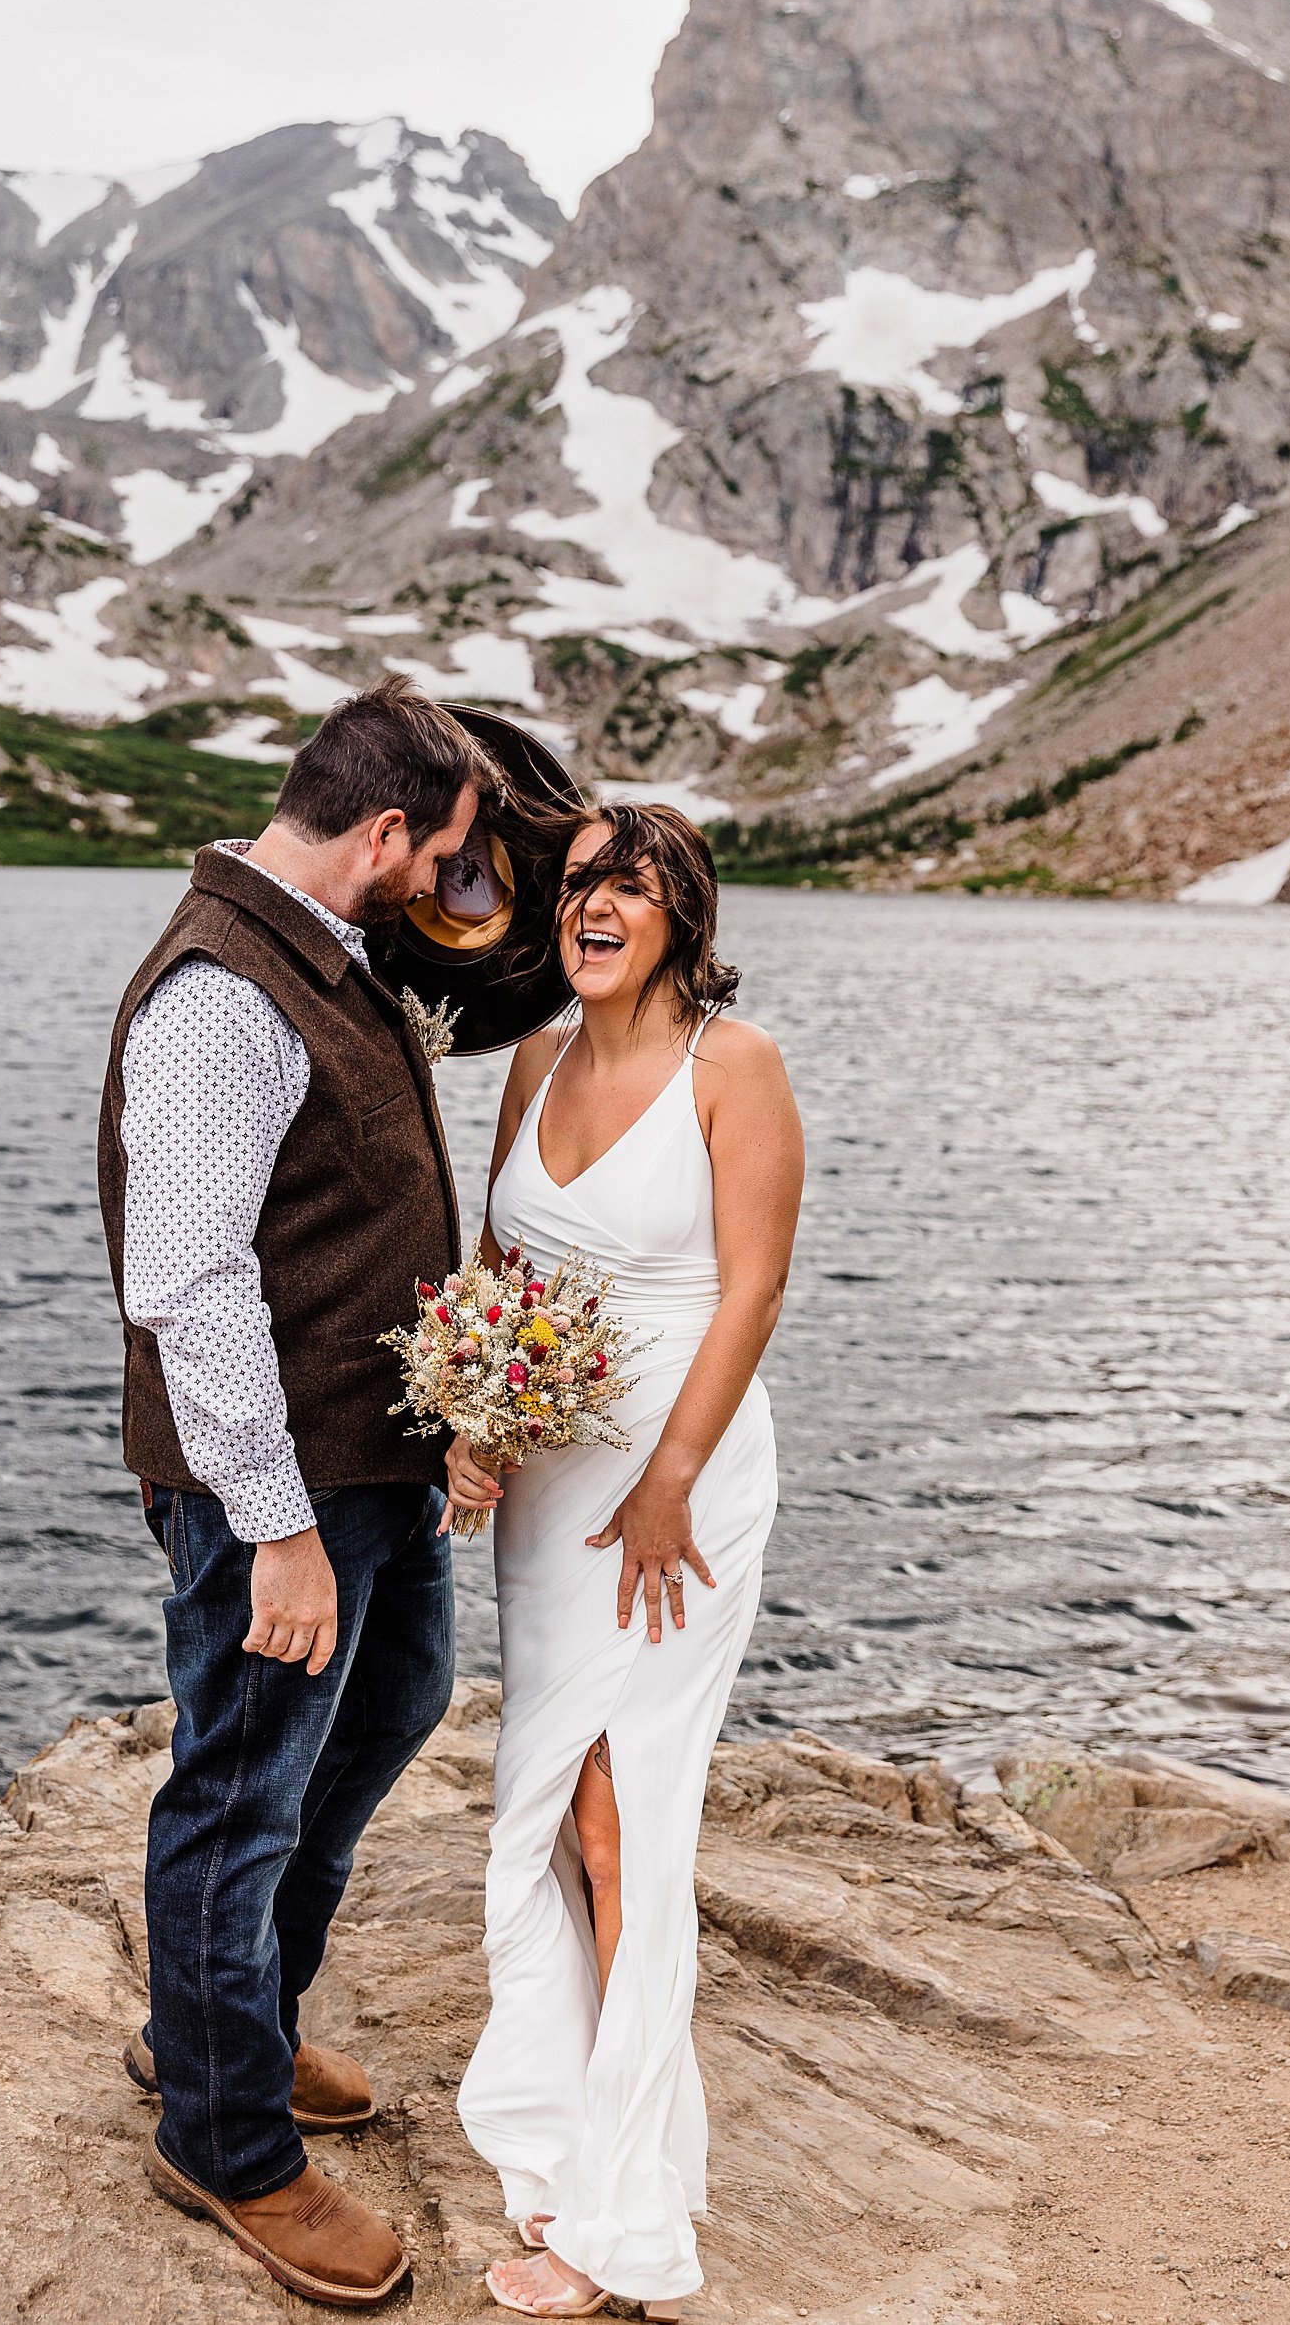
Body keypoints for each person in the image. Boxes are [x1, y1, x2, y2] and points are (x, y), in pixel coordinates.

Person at [95, 677, 492, 2309]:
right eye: (444, 860)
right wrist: (272, 1528)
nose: (447, 893)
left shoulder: (320, 956)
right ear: (383, 831)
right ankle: (226, 2138)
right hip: (290, 1493)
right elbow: (188, 1285)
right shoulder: (218, 997)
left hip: (372, 1467)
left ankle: (225, 2017)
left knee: (394, 1709)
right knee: (241, 1792)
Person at [451, 804, 805, 2321]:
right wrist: (468, 1417)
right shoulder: (533, 1059)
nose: (596, 902)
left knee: (621, 1818)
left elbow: (754, 1287)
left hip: (682, 1479)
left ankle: (620, 2229)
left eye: (632, 884)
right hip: (547, 1488)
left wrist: (669, 1479)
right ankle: (569, 2143)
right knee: (545, 1804)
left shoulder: (741, 1071)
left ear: (684, 918)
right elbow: (495, 1273)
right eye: (581, 879)